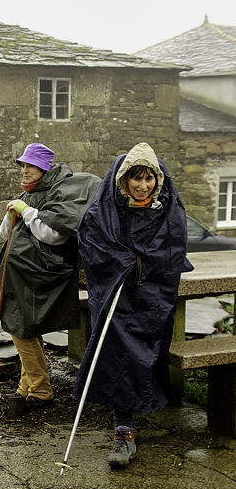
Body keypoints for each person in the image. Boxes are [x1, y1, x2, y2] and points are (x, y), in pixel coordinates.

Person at [73, 142, 193, 468]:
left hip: (151, 294)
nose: (142, 186)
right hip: (115, 293)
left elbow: (173, 245)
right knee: (116, 352)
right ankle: (123, 430)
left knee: (146, 353)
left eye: (149, 179)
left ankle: (146, 405)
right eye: (135, 179)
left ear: (158, 179)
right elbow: (91, 240)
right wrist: (122, 262)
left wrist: (144, 261)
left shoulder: (167, 207)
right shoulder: (107, 208)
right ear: (124, 179)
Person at [0, 143, 100, 414]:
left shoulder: (61, 192)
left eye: (30, 165)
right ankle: (25, 388)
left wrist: (27, 212)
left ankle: (41, 390)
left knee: (21, 328)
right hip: (22, 274)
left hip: (44, 275)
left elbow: (54, 235)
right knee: (24, 327)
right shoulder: (29, 192)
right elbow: (7, 235)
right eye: (22, 165)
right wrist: (11, 214)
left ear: (44, 167)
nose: (24, 170)